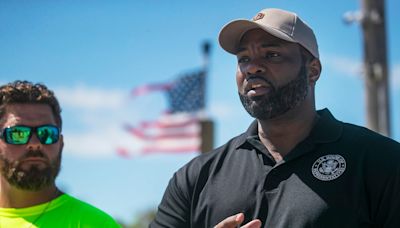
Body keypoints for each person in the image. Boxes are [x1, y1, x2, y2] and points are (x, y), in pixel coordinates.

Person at [150, 8, 400, 228]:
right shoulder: (195, 178)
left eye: (272, 55)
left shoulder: (382, 161)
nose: (252, 68)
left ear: (312, 71)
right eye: (244, 59)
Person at [0, 80, 121, 227]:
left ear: (61, 144)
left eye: (47, 133)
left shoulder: (95, 224)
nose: (35, 144)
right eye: (18, 133)